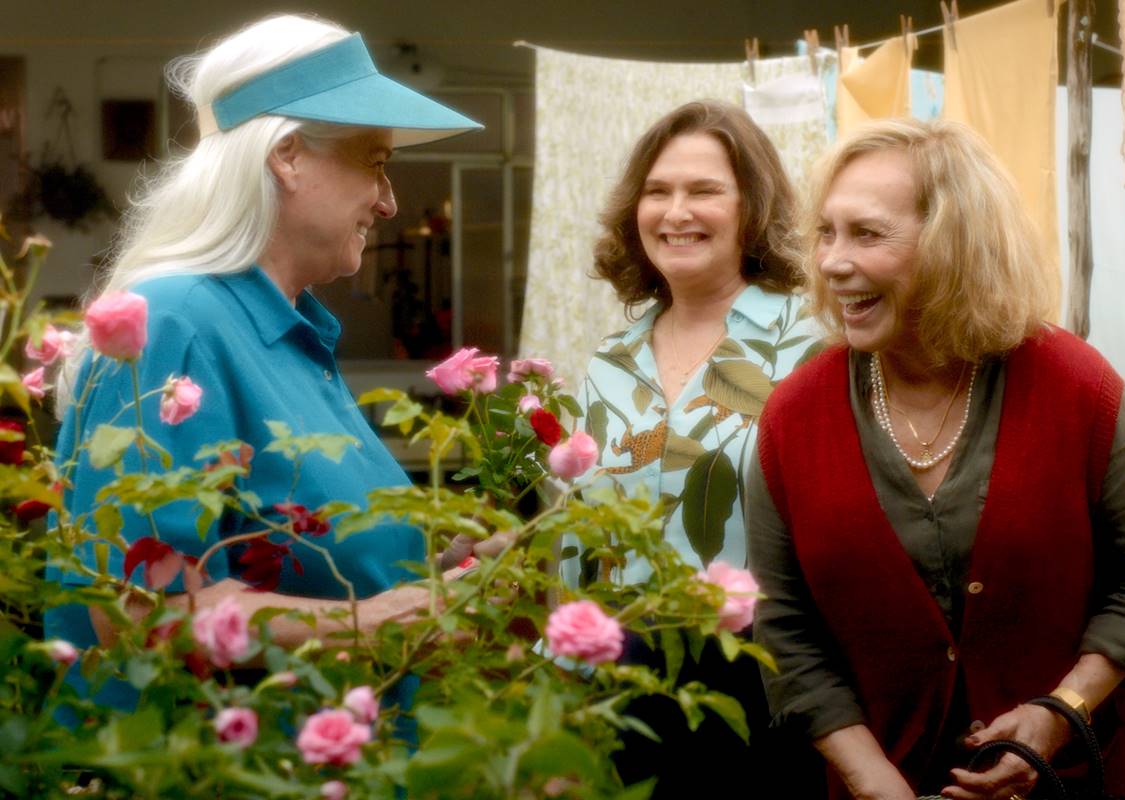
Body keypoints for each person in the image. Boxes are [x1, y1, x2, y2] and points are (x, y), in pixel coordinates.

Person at [44, 14, 482, 721]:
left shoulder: (283, 332)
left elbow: (305, 565)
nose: (391, 199)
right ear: (286, 155)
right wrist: (371, 625)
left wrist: (437, 566)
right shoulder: (177, 322)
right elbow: (141, 614)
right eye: (375, 162)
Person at [747, 118, 1125, 800]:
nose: (831, 261)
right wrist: (873, 784)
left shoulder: (1079, 389)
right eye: (825, 233)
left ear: (954, 242)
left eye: (866, 233)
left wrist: (1060, 712)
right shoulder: (793, 418)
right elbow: (784, 629)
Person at [561, 100, 825, 796]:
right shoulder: (611, 360)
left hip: (770, 692)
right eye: (658, 191)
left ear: (751, 207)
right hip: (624, 696)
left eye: (704, 190)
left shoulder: (815, 346)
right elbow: (577, 538)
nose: (676, 211)